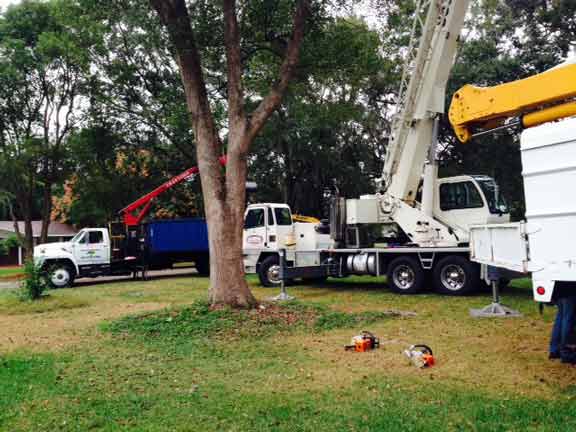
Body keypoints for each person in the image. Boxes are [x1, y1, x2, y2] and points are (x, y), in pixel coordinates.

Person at [549, 282, 576, 364]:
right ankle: (566, 353)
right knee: (567, 319)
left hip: (558, 287)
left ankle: (554, 350)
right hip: (570, 288)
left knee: (560, 317)